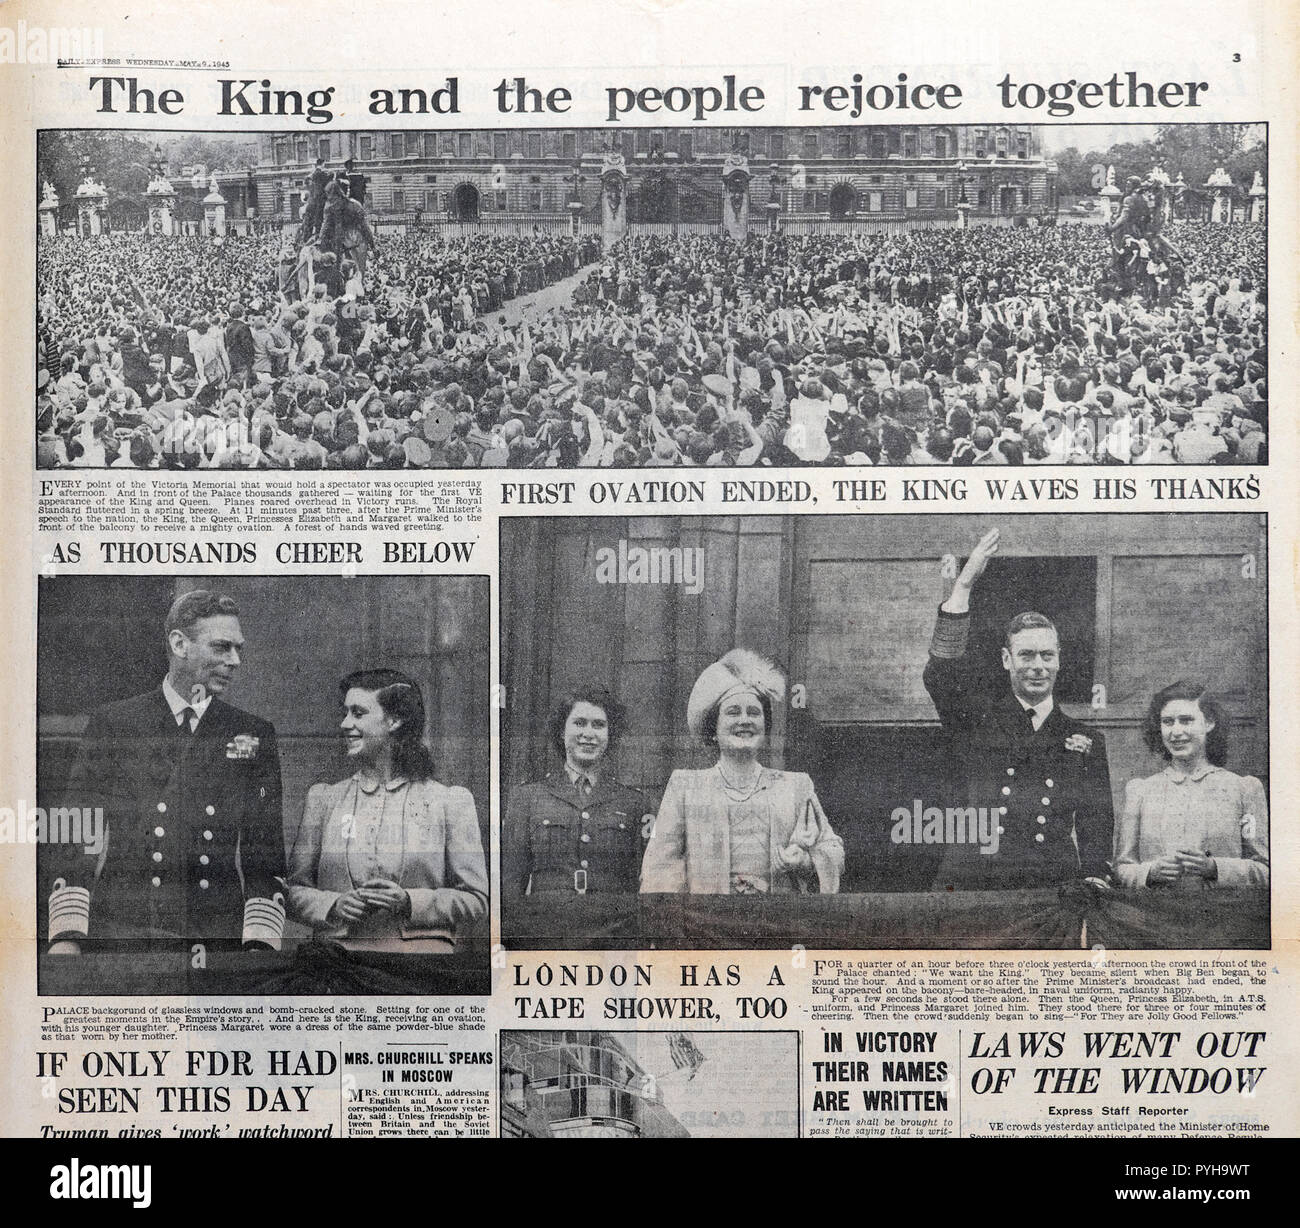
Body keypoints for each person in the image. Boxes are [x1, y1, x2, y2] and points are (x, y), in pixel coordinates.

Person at [47, 590, 287, 953]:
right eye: (221, 647)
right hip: (124, 931)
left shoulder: (251, 734)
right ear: (179, 644)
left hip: (216, 936)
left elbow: (264, 853)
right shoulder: (115, 724)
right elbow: (78, 834)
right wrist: (67, 936)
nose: (235, 660)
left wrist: (260, 944)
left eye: (239, 648)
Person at [923, 527, 1114, 889]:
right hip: (974, 884)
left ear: (1060, 660)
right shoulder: (976, 718)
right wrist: (962, 587)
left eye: (1047, 655)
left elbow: (1096, 823)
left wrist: (1094, 878)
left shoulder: (1086, 738)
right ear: (1007, 660)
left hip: (1049, 887)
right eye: (1026, 655)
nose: (1038, 666)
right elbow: (940, 675)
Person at [286, 669, 487, 952]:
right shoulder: (324, 799)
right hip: (336, 963)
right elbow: (292, 890)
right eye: (345, 712)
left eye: (358, 713)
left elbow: (477, 900)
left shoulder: (450, 802)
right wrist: (333, 904)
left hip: (419, 970)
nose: (345, 723)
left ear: (394, 721)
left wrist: (409, 901)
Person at [640, 650, 843, 894]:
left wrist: (805, 861)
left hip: (779, 924)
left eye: (754, 713)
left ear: (765, 727)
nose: (744, 720)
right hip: (707, 926)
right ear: (713, 729)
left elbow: (833, 849)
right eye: (733, 712)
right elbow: (661, 865)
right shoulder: (685, 787)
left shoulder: (796, 787)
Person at [1113, 681, 1268, 890]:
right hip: (1154, 917)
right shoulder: (1140, 791)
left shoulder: (1244, 789)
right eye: (1168, 722)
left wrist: (1215, 867)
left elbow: (1266, 870)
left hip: (1223, 917)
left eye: (1186, 721)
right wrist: (1150, 872)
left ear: (1209, 723)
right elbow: (1122, 869)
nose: (1175, 731)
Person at [502, 687, 655, 896]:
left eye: (599, 725)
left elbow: (647, 881)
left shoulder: (636, 803)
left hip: (613, 925)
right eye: (579, 723)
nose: (588, 734)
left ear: (610, 735)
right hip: (547, 924)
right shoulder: (527, 798)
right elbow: (510, 883)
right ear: (562, 731)